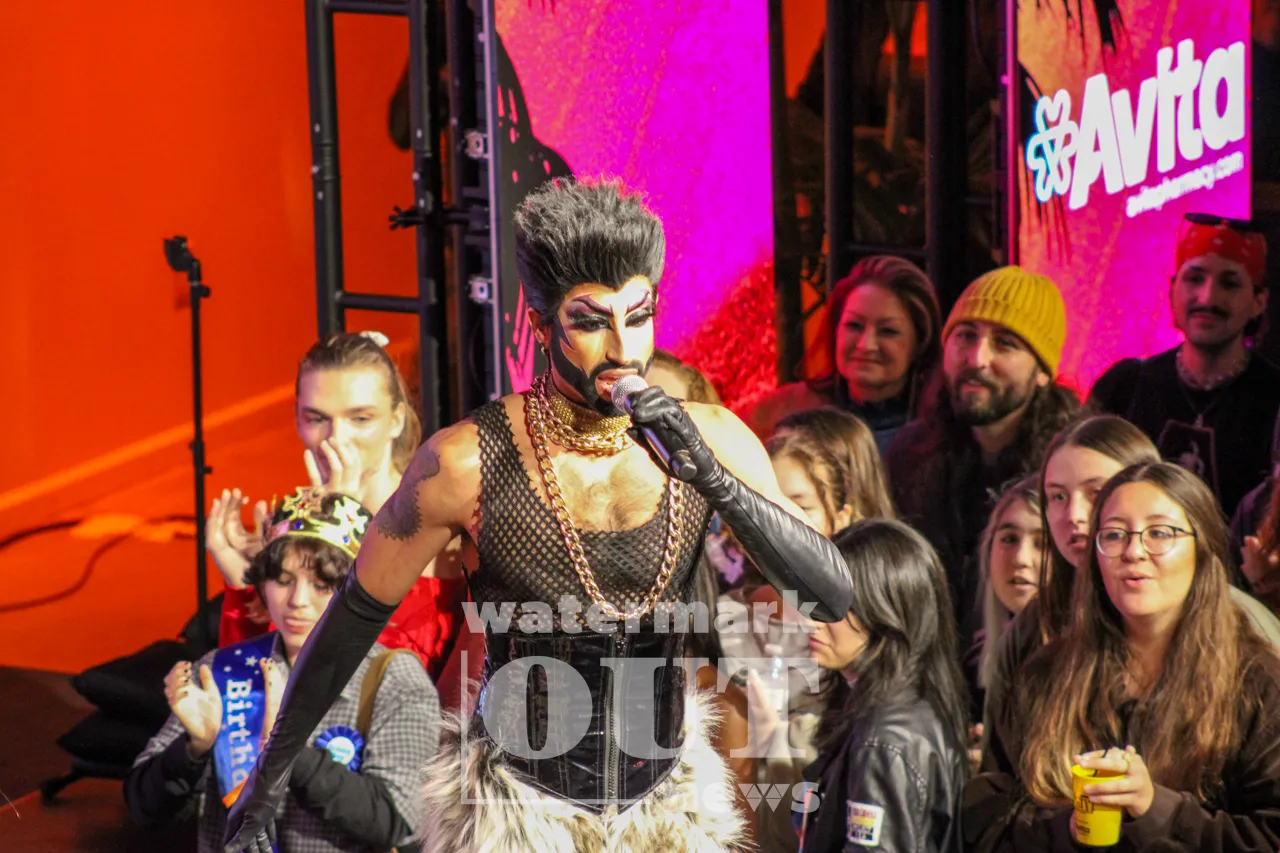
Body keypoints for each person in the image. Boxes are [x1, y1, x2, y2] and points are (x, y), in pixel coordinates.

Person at [222, 177, 854, 853]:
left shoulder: (709, 436)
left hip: (668, 811)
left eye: (639, 315)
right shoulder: (467, 461)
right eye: (591, 321)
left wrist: (710, 476)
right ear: (540, 323)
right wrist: (270, 772)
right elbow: (350, 620)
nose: (623, 348)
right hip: (515, 815)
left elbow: (830, 595)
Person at [966, 462, 1280, 852]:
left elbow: (1270, 837)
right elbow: (989, 818)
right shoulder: (1047, 673)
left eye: (1159, 533)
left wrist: (1154, 809)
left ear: (1203, 550)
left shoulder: (1258, 685)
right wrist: (1069, 827)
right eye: (1114, 535)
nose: (1133, 551)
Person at [125, 489, 439, 852]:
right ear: (262, 583)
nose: (297, 601)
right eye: (284, 580)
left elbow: (397, 822)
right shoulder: (223, 672)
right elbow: (142, 808)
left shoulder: (392, 680)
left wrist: (291, 751)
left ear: (357, 591)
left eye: (322, 584)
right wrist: (193, 750)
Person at [978, 415, 1280, 776]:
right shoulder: (1037, 626)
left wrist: (1155, 806)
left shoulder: (1243, 634)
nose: (1075, 515)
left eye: (1096, 493)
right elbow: (999, 780)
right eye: (1057, 496)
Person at [207, 332, 468, 676]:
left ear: (396, 420)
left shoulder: (441, 521)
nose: (336, 438)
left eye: (360, 419)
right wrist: (245, 590)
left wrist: (343, 534)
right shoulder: (291, 526)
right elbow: (254, 690)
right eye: (318, 419)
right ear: (297, 420)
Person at [886, 266, 1079, 652]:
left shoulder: (1070, 470)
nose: (977, 358)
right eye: (966, 336)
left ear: (1042, 372)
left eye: (1005, 343)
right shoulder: (910, 454)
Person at [1090, 214, 1279, 520]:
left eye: (1229, 283)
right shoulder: (1124, 387)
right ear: (1172, 289)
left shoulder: (1273, 400)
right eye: (1195, 279)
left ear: (1259, 301)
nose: (1208, 297)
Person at [798, 520, 968, 853]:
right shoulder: (908, 704)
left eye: (831, 606)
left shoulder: (885, 740)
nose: (810, 621)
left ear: (886, 612)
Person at [745, 255, 942, 453]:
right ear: (835, 329)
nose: (866, 345)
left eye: (888, 331)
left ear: (920, 343)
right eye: (854, 326)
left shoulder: (941, 432)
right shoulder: (778, 413)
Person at [971, 475, 1042, 706]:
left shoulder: (1089, 664)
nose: (1021, 559)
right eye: (1010, 539)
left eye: (1042, 543)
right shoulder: (975, 662)